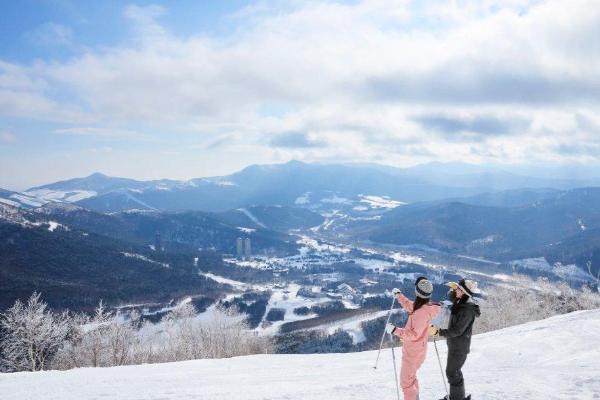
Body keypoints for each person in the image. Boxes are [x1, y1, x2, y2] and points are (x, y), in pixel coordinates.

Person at [386, 277, 441, 400]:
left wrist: (395, 331)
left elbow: (413, 335)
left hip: (413, 353)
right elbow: (409, 305)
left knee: (406, 382)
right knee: (410, 379)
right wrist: (399, 295)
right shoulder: (422, 307)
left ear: (418, 292)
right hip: (415, 351)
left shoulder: (421, 312)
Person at [429, 279, 481, 400]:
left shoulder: (467, 310)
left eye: (458, 289)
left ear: (464, 292)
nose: (456, 290)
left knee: (452, 373)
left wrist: (438, 332)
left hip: (459, 347)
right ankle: (457, 396)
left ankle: (456, 398)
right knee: (454, 372)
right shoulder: (460, 303)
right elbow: (454, 299)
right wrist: (454, 289)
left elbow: (457, 330)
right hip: (455, 345)